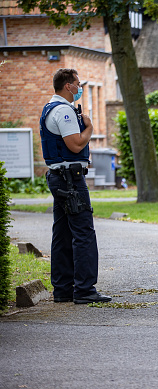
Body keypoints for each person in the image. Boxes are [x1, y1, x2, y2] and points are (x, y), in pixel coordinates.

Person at [40, 68, 111, 304]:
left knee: (61, 233)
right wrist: (89, 127)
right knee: (83, 233)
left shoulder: (51, 108)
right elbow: (75, 144)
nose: (80, 88)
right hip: (70, 180)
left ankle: (62, 289)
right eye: (78, 84)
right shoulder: (63, 111)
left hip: (60, 177)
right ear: (68, 86)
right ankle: (85, 289)